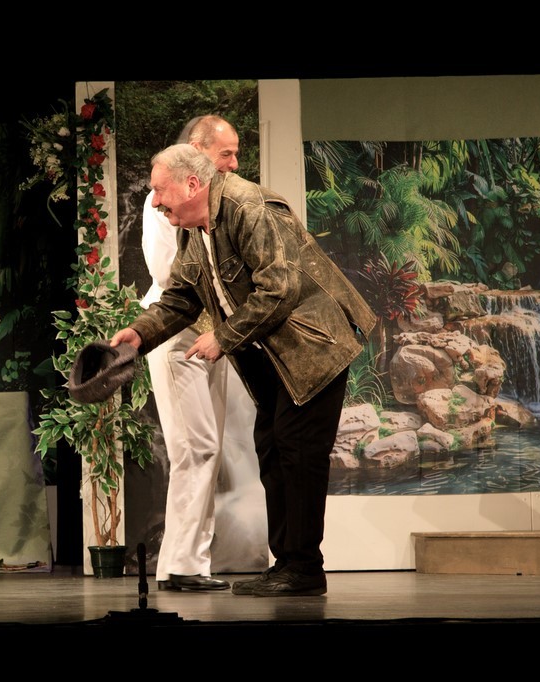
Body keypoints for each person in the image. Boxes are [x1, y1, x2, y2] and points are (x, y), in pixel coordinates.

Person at [111, 144, 376, 597]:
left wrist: (223, 337)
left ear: (191, 184)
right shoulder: (194, 231)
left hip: (314, 348)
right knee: (273, 451)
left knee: (298, 455)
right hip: (272, 358)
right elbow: (181, 298)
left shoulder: (247, 206)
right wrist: (138, 334)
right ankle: (286, 563)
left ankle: (305, 569)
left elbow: (279, 288)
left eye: (160, 190)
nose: (155, 202)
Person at [140, 116, 261, 592]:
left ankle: (191, 562)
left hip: (214, 334)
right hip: (178, 331)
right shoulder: (166, 201)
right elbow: (169, 275)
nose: (234, 163)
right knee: (196, 448)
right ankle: (182, 565)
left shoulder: (224, 205)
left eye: (235, 154)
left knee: (207, 449)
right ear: (197, 150)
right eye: (226, 154)